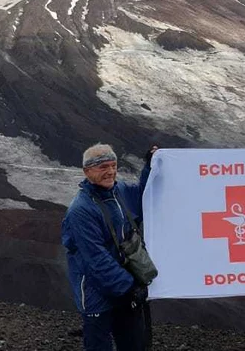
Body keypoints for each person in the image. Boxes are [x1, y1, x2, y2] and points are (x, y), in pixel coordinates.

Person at [61, 143, 156, 351]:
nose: (110, 172)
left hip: (124, 287)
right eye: (102, 167)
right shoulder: (81, 211)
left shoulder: (119, 191)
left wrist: (150, 166)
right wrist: (130, 288)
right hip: (97, 296)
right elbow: (96, 259)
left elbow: (144, 196)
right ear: (87, 171)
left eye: (113, 165)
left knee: (133, 345)